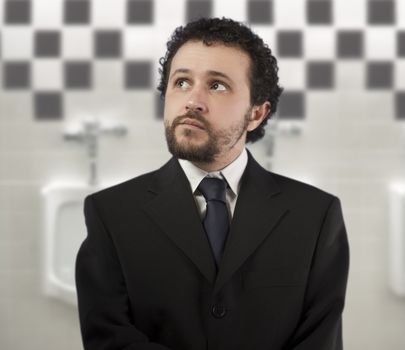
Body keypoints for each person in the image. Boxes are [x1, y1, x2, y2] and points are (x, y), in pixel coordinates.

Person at [75, 17, 349, 350]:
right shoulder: (111, 214)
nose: (192, 100)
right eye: (181, 82)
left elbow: (319, 341)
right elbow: (109, 340)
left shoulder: (316, 216)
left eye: (217, 85)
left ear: (257, 114)